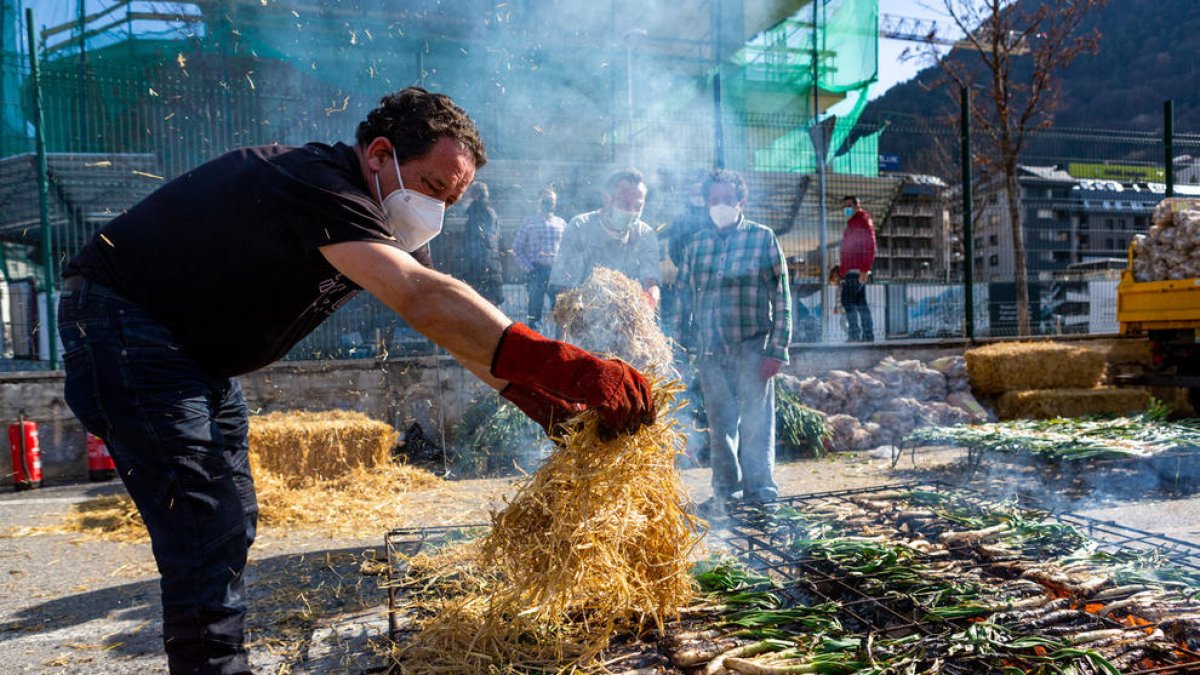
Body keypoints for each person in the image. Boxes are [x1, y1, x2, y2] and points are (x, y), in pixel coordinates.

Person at [56, 87, 654, 674]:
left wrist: (545, 406)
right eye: (433, 187)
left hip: (193, 355)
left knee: (230, 518)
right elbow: (423, 298)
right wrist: (571, 366)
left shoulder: (365, 216)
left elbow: (452, 328)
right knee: (203, 527)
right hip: (127, 326)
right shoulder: (320, 182)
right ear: (379, 155)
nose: (438, 210)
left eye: (453, 199)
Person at [678, 169, 791, 515]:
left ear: (741, 201)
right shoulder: (696, 245)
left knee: (756, 422)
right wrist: (683, 348)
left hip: (753, 346)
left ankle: (761, 491)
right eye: (714, 199)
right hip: (711, 351)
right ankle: (726, 492)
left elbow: (782, 296)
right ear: (705, 202)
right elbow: (683, 299)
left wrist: (777, 349)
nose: (720, 205)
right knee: (720, 424)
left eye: (728, 199)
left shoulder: (762, 238)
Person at [549, 168, 661, 308]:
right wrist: (576, 312)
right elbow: (565, 286)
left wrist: (648, 302)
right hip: (585, 314)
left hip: (626, 315)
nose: (632, 211)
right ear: (606, 198)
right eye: (625, 204)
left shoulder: (645, 234)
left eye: (638, 206)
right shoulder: (580, 227)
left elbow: (650, 282)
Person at [512, 186, 566, 329]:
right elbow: (516, 249)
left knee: (561, 310)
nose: (549, 203)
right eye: (546, 200)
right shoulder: (529, 222)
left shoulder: (561, 223)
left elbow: (568, 249)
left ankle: (560, 342)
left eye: (551, 200)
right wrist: (530, 269)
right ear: (539, 202)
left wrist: (565, 269)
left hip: (556, 272)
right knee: (535, 310)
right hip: (536, 270)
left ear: (555, 203)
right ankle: (535, 342)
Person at [660, 176, 709, 335]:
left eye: (701, 193)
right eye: (694, 194)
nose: (698, 197)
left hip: (711, 274)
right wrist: (683, 265)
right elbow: (674, 245)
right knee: (684, 308)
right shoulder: (681, 218)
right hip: (685, 273)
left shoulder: (713, 217)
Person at [460, 181, 505, 305]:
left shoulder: (479, 213)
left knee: (483, 307)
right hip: (488, 268)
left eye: (467, 195)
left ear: (476, 195)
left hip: (482, 270)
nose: (463, 198)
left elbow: (480, 244)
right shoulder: (488, 212)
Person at [839, 195, 877, 342]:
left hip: (855, 268)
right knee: (860, 303)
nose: (845, 209)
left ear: (856, 206)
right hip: (853, 268)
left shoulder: (861, 221)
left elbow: (870, 244)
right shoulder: (855, 222)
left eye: (848, 206)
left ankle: (855, 335)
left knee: (847, 301)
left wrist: (865, 269)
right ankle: (867, 335)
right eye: (844, 206)